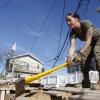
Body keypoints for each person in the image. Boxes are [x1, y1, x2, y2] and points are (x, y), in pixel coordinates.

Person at [65, 12, 100, 89]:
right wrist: (69, 57)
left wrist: (79, 54)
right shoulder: (72, 33)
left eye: (69, 20)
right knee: (84, 59)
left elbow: (88, 40)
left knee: (97, 54)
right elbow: (72, 46)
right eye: (67, 21)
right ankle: (86, 83)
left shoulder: (86, 23)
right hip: (91, 43)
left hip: (98, 38)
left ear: (76, 19)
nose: (68, 23)